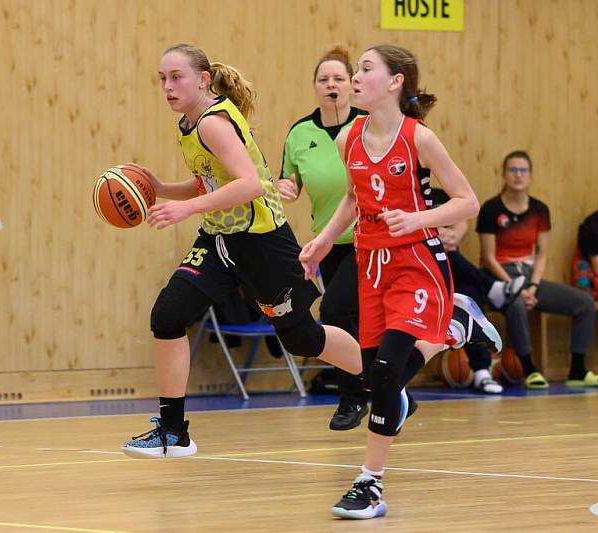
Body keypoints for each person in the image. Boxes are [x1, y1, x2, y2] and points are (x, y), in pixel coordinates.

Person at [119, 43, 364, 459]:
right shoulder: (189, 123)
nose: (167, 86)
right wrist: (163, 189)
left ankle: (385, 378)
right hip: (220, 241)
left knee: (304, 337)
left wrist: (185, 208)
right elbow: (213, 183)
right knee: (167, 315)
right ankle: (173, 432)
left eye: (176, 77)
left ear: (202, 80)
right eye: (162, 79)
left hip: (263, 243)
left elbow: (249, 184)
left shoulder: (213, 122)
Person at [299, 44, 501, 519]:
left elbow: (466, 201)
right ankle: (455, 327)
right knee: (375, 376)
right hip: (370, 262)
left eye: (366, 69)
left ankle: (369, 483)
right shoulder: (348, 137)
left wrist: (416, 219)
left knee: (388, 373)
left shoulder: (419, 138)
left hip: (416, 260)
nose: (355, 76)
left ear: (394, 82)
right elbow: (352, 198)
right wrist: (326, 239)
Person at [277, 46, 369, 430]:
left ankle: (351, 398)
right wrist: (287, 187)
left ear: (352, 85)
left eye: (338, 79)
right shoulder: (300, 133)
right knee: (355, 321)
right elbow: (292, 180)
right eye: (323, 79)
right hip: (328, 242)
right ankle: (392, 392)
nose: (331, 85)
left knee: (333, 312)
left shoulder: (368, 125)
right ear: (315, 88)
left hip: (370, 239)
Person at [477, 151, 597, 389]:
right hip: (499, 277)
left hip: (530, 277)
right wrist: (516, 288)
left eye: (523, 170)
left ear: (530, 176)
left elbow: (541, 255)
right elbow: (489, 259)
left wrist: (532, 285)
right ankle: (529, 370)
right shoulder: (491, 209)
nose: (518, 175)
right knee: (517, 303)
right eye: (513, 170)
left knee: (584, 302)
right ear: (504, 174)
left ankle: (577, 370)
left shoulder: (540, 210)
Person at [429, 188, 525, 394]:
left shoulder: (438, 193)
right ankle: (494, 288)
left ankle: (482, 372)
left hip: (451, 273)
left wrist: (452, 234)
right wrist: (432, 234)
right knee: (444, 251)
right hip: (420, 273)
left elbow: (462, 215)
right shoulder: (401, 191)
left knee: (468, 294)